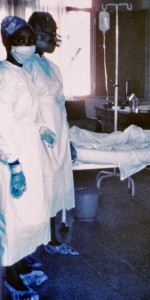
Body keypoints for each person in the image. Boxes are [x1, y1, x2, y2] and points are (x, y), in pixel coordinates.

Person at [0, 16, 56, 299]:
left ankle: (21, 264)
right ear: (7, 43)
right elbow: (3, 125)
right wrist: (15, 165)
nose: (27, 45)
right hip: (13, 157)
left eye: (30, 39)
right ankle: (10, 275)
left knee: (30, 215)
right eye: (20, 40)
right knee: (14, 216)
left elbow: (29, 115)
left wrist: (42, 128)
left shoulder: (23, 72)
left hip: (30, 151)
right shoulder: (3, 75)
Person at [24, 12, 77, 255]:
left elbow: (61, 104)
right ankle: (30, 248)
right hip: (37, 135)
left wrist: (68, 141)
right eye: (49, 32)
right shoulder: (23, 65)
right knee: (38, 190)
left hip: (58, 133)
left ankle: (53, 240)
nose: (53, 39)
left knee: (54, 187)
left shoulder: (53, 67)